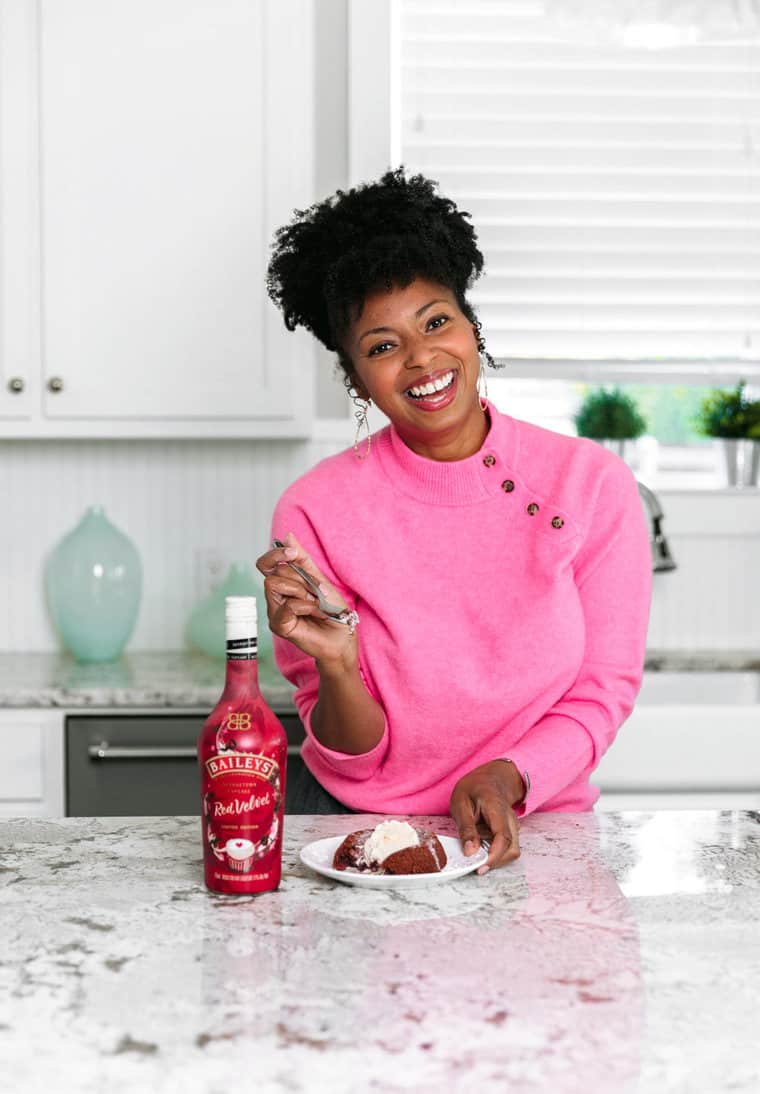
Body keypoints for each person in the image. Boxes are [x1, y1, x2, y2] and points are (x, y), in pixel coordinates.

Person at [257, 168, 652, 873]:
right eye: (382, 346)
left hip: (537, 831)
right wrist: (339, 666)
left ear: (472, 326)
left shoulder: (589, 484)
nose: (421, 360)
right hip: (361, 838)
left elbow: (603, 689)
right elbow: (348, 747)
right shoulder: (313, 512)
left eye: (436, 322)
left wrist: (510, 774)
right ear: (355, 377)